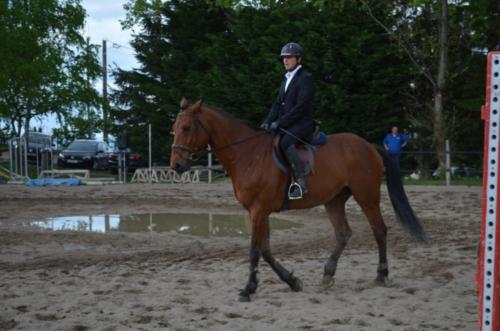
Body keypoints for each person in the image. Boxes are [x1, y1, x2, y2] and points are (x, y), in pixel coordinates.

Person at [261, 42, 315, 199]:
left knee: (285, 143)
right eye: (283, 58)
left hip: (302, 124)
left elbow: (301, 106)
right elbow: (277, 105)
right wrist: (267, 121)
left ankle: (300, 182)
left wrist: (280, 122)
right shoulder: (286, 79)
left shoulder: (305, 78)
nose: (285, 60)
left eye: (289, 57)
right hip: (287, 124)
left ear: (298, 59)